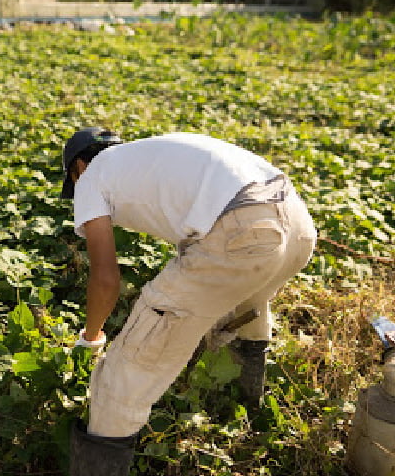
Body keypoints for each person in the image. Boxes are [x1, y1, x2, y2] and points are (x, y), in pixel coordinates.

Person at [61, 127, 317, 475]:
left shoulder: (93, 175)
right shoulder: (153, 154)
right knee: (242, 307)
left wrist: (91, 337)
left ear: (78, 166)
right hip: (297, 225)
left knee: (122, 375)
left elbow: (105, 280)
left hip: (244, 230)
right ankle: (244, 409)